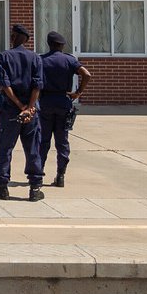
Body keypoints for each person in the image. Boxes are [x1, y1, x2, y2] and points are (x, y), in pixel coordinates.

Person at [0, 24, 43, 200]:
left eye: (12, 35)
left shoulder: (4, 56)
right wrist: (30, 107)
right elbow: (37, 85)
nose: (11, 38)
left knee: (5, 148)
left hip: (10, 111)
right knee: (32, 149)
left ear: (15, 37)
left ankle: (3, 186)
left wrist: (19, 105)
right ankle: (35, 188)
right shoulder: (35, 58)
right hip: (31, 112)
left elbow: (5, 84)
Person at [38, 31, 92, 188]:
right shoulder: (69, 60)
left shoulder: (41, 60)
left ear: (49, 44)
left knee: (43, 141)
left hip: (46, 102)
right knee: (62, 141)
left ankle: (38, 175)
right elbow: (86, 74)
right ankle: (61, 175)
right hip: (64, 101)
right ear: (62, 45)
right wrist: (78, 93)